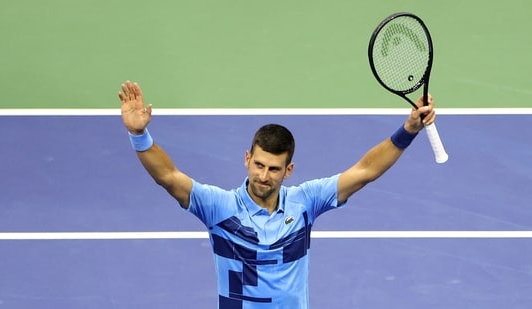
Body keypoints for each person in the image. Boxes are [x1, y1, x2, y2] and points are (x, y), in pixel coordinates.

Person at [118, 80, 436, 309]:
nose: (262, 176)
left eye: (273, 169)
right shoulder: (219, 207)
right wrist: (138, 134)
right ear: (247, 159)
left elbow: (365, 170)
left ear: (289, 170)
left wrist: (407, 131)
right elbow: (168, 177)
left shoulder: (305, 203)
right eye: (258, 165)